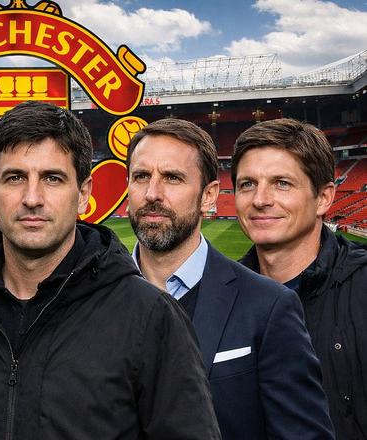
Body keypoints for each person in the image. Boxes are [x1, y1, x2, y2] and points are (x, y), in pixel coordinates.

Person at [0, 101, 221, 439]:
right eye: (15, 178)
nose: (32, 198)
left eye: (52, 178)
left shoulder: (150, 316)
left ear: (83, 193)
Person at [127, 118, 334, 439]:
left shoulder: (269, 306)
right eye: (141, 176)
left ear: (209, 196)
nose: (152, 193)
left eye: (172, 178)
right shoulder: (91, 300)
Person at [232, 118, 367, 440]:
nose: (260, 199)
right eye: (247, 184)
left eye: (281, 183)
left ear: (323, 198)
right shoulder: (218, 296)